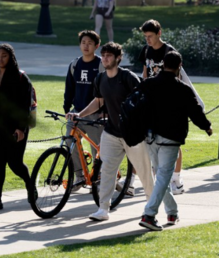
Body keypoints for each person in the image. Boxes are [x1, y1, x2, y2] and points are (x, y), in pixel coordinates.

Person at [69, 42, 153, 220]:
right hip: (111, 132)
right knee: (107, 170)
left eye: (109, 55)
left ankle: (151, 209)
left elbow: (144, 102)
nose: (105, 58)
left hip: (133, 134)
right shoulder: (100, 79)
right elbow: (98, 102)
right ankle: (103, 209)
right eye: (104, 55)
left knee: (144, 172)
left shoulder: (128, 78)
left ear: (118, 58)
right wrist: (79, 114)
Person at [138, 51, 213, 231]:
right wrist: (207, 127)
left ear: (163, 64)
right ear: (180, 66)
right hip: (170, 138)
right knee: (163, 176)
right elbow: (195, 113)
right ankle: (149, 214)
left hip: (149, 136)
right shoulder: (183, 89)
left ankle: (172, 212)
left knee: (160, 177)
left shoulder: (148, 84)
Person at [141, 19, 202, 195]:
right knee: (151, 139)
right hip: (152, 99)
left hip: (169, 100)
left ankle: (176, 178)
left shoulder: (169, 52)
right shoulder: (146, 50)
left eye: (150, 36)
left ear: (159, 34)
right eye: (145, 37)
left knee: (172, 139)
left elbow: (179, 76)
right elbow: (145, 72)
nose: (148, 40)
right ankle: (157, 178)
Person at [0, 44, 37, 212]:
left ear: (11, 57)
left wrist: (21, 128)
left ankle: (30, 185)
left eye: (4, 55)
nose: (0, 59)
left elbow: (24, 105)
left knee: (15, 163)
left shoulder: (21, 78)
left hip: (15, 127)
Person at [64, 29, 102, 181]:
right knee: (69, 141)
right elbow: (69, 88)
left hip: (95, 115)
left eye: (90, 43)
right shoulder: (75, 64)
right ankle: (79, 175)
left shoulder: (100, 64)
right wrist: (67, 108)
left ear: (97, 46)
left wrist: (103, 112)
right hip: (76, 112)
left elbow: (105, 91)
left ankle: (97, 177)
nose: (86, 46)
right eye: (83, 43)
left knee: (97, 148)